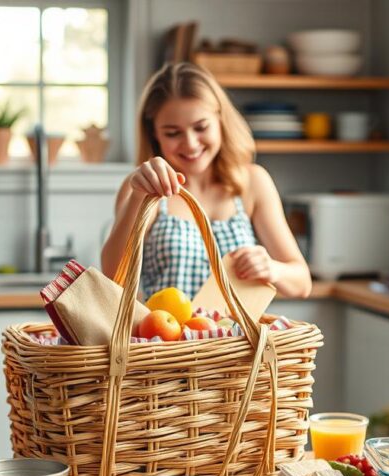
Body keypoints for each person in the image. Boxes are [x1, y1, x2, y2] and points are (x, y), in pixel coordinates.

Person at [101, 62, 312, 301]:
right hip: (168, 336)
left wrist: (273, 269)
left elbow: (302, 283)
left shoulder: (252, 182)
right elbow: (112, 278)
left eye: (201, 127)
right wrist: (138, 195)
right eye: (173, 133)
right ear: (154, 134)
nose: (190, 143)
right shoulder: (144, 185)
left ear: (220, 121)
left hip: (238, 339)